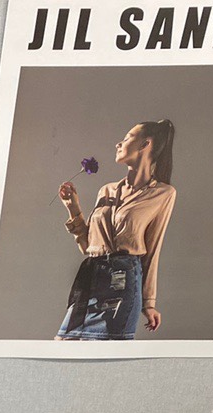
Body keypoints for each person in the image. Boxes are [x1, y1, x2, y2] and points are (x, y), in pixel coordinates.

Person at [56, 119, 177, 340]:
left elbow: (153, 250)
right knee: (63, 344)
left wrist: (149, 303)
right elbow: (89, 247)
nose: (118, 144)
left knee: (104, 353)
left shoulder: (163, 194)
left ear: (145, 144)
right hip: (91, 280)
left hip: (122, 285)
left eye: (127, 138)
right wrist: (73, 208)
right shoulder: (107, 190)